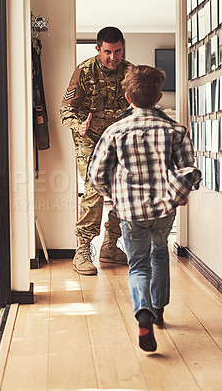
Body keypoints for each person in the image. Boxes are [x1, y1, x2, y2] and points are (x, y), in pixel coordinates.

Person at [88, 65, 201, 352]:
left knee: (138, 265)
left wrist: (115, 199)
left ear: (127, 97)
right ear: (159, 96)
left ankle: (142, 312)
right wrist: (177, 194)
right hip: (163, 210)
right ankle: (159, 310)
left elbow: (96, 174)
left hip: (130, 212)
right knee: (160, 253)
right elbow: (190, 170)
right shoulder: (175, 129)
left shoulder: (115, 131)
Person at [59, 27, 132, 276]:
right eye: (108, 52)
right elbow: (66, 109)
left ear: (123, 47)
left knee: (126, 189)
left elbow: (141, 102)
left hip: (120, 138)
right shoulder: (84, 71)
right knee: (95, 187)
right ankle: (83, 248)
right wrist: (77, 125)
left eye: (118, 51)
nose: (113, 57)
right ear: (98, 49)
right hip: (89, 136)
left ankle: (111, 246)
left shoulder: (130, 72)